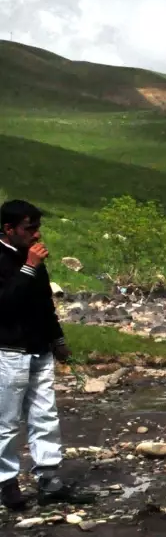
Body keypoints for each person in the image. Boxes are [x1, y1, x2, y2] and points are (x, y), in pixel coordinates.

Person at [0, 199, 82, 510]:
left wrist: (58, 340)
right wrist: (29, 267)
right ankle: (7, 484)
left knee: (45, 415)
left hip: (39, 349)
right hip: (8, 352)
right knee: (6, 421)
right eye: (29, 228)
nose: (36, 234)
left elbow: (44, 304)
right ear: (9, 229)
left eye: (38, 228)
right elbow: (5, 305)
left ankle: (49, 479)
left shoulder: (34, 259)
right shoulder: (9, 259)